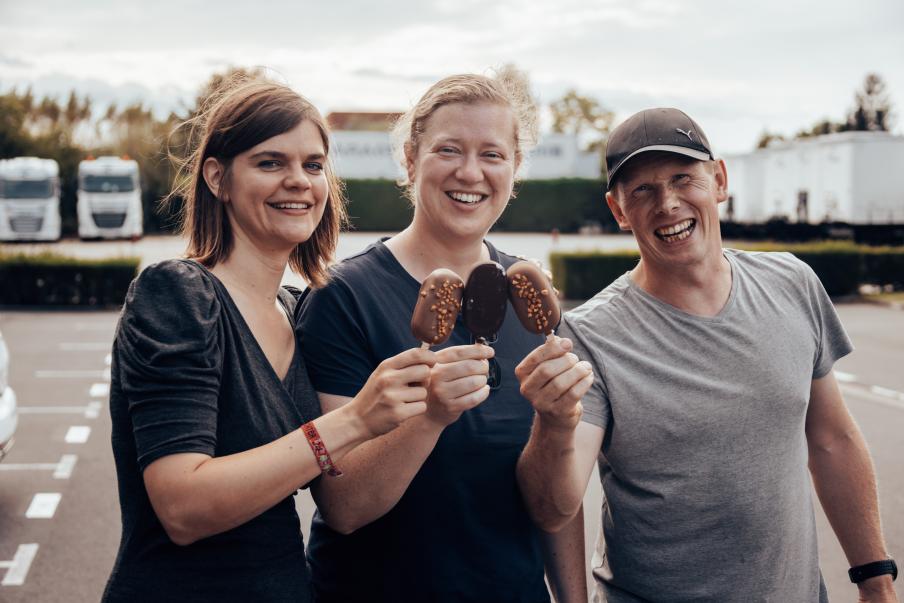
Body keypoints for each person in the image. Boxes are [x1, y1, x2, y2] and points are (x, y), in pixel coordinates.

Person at [514, 108, 899, 602]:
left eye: (682, 178)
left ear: (718, 180)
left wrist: (876, 579)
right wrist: (551, 422)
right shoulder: (589, 337)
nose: (668, 203)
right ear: (618, 209)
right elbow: (554, 508)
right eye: (643, 191)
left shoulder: (793, 284)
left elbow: (832, 440)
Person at [103, 76, 435, 602]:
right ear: (218, 177)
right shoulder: (179, 296)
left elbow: (343, 499)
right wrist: (352, 420)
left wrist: (428, 411)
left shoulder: (296, 310)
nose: (299, 181)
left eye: (313, 165)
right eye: (270, 162)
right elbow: (182, 507)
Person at [297, 67, 588, 603]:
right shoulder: (342, 298)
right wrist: (430, 417)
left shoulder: (532, 302)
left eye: (493, 154)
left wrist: (557, 424)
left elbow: (553, 510)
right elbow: (344, 507)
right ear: (410, 159)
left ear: (516, 167)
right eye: (449, 150)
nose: (470, 172)